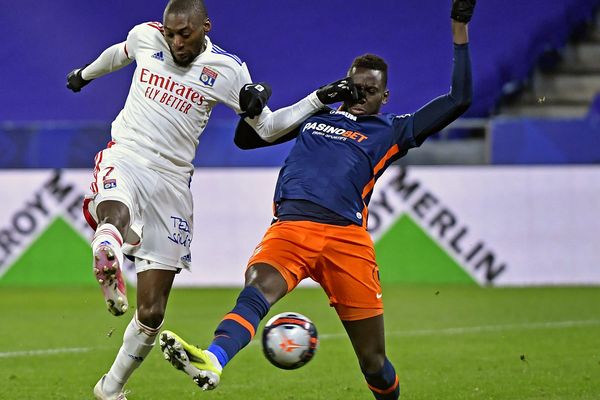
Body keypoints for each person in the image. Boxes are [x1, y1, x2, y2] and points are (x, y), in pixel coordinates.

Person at [159, 1, 476, 399]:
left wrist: (458, 28)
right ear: (346, 84)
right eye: (356, 88)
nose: (361, 97)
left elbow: (459, 99)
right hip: (291, 227)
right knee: (256, 289)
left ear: (386, 95)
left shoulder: (394, 129)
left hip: (347, 241)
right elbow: (247, 140)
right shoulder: (318, 115)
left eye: (371, 91)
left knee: (374, 363)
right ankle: (213, 359)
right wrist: (253, 108)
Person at [65, 0, 336, 399]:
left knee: (152, 312)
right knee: (116, 207)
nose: (175, 42)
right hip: (127, 153)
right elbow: (118, 53)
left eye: (184, 34)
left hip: (173, 183)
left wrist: (316, 99)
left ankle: (111, 388)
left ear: (205, 26)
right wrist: (83, 75)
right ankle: (107, 242)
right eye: (171, 33)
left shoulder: (227, 71)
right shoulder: (147, 36)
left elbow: (267, 127)